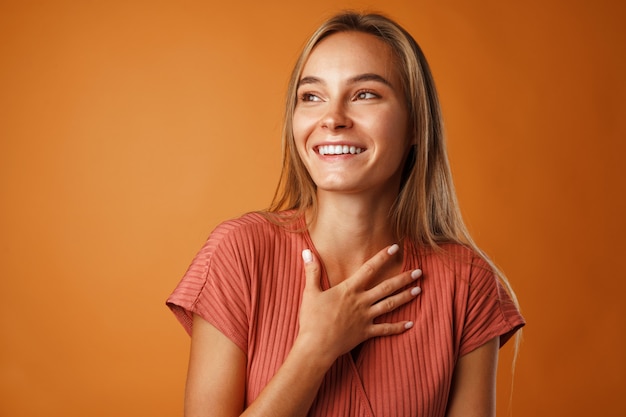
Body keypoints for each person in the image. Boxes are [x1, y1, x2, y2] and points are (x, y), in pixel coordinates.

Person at [166, 11, 525, 417]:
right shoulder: (238, 253)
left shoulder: (469, 285)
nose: (332, 119)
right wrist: (315, 349)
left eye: (365, 94)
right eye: (312, 96)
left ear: (415, 127)